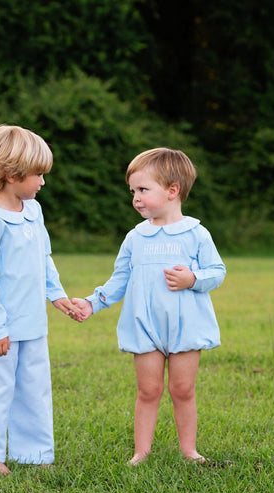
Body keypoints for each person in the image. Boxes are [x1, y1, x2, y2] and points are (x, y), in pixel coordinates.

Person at [72, 147, 226, 465]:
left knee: (182, 389)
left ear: (173, 191)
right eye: (133, 191)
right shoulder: (135, 238)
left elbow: (217, 272)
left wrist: (193, 278)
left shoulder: (196, 234)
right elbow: (119, 280)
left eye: (143, 189)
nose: (136, 198)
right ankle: (141, 452)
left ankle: (189, 451)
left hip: (186, 326)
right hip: (145, 325)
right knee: (148, 389)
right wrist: (92, 303)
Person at [0, 124, 79, 475]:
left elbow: (44, 258)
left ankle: (35, 454)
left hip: (32, 326)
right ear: (12, 174)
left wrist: (57, 295)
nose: (42, 182)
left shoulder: (33, 211)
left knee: (34, 390)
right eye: (38, 174)